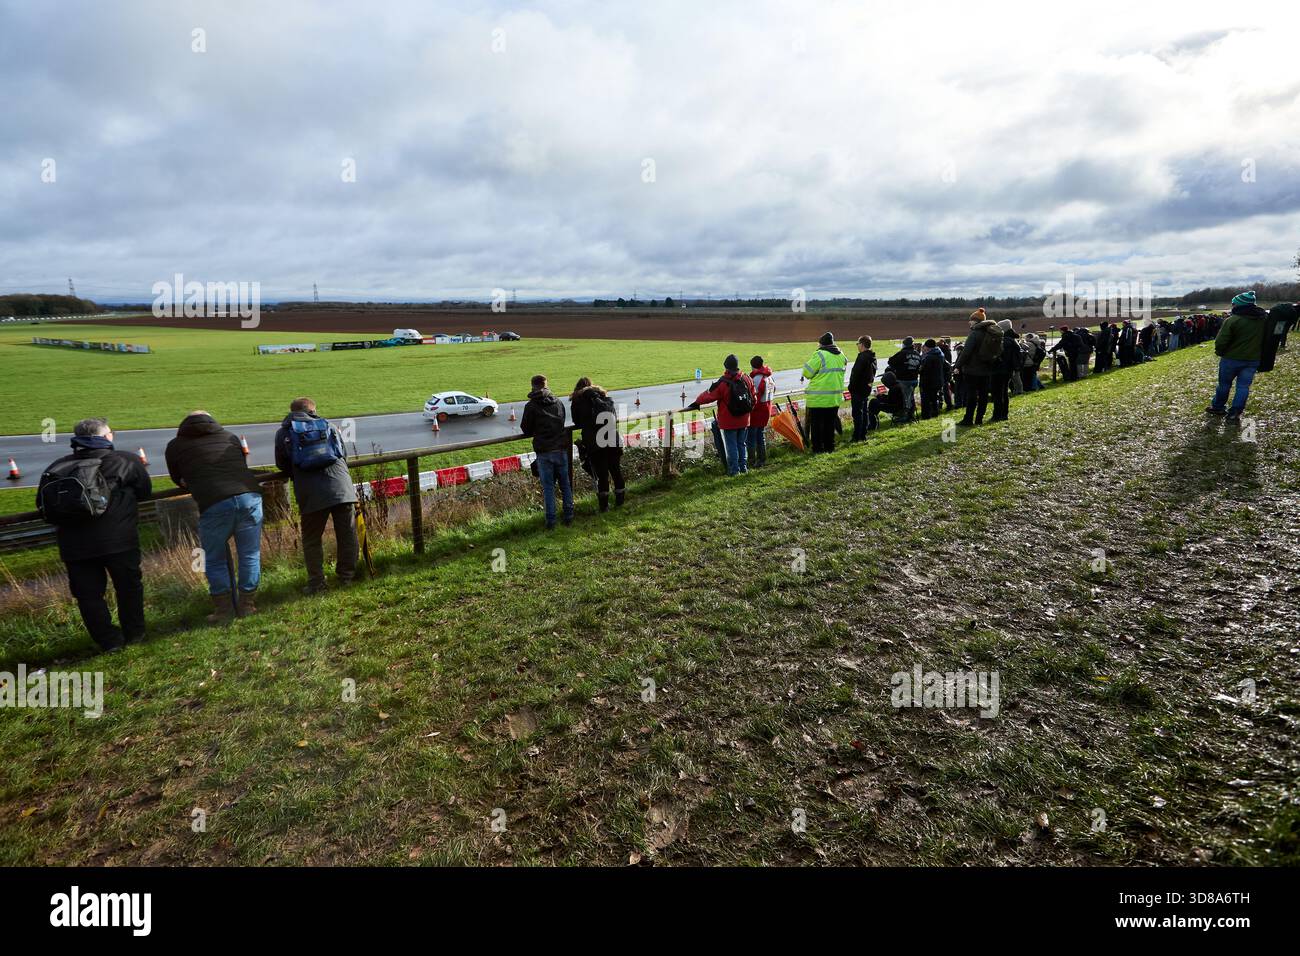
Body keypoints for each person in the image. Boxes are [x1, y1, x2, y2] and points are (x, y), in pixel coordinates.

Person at [36, 418, 152, 652]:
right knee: (128, 588)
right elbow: (144, 491)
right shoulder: (125, 460)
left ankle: (109, 641)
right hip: (118, 539)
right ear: (105, 436)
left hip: (75, 545)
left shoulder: (56, 468)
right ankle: (135, 635)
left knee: (89, 596)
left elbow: (43, 504)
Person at [165, 410, 264, 623]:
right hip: (248, 496)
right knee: (250, 553)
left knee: (214, 557)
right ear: (211, 421)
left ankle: (224, 609)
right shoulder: (229, 436)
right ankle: (247, 604)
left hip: (214, 502)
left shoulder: (176, 445)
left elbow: (177, 478)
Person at [273, 397, 358, 595]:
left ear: (291, 411)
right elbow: (342, 454)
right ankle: (347, 577)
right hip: (341, 487)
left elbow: (282, 464)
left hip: (310, 492)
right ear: (313, 410)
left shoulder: (284, 433)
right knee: (347, 534)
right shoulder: (329, 426)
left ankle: (317, 583)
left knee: (312, 539)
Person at [520, 374, 574, 528]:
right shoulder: (557, 401)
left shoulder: (531, 406)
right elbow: (562, 421)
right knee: (565, 484)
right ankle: (569, 515)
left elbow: (525, 428)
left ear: (532, 386)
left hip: (544, 451)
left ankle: (551, 521)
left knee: (549, 488)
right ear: (546, 384)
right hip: (561, 448)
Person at [687, 354, 755, 474]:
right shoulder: (747, 378)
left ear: (726, 367)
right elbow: (753, 397)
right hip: (744, 419)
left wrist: (696, 402)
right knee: (742, 444)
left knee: (731, 446)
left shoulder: (723, 382)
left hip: (728, 421)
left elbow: (709, 395)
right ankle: (744, 468)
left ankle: (734, 471)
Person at [1206, 291, 1268, 421]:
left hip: (1231, 359)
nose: (1232, 306)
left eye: (1233, 304)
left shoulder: (1232, 320)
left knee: (1224, 385)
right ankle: (1235, 412)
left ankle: (1218, 407)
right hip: (1252, 359)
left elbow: (1221, 341)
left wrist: (1220, 352)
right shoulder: (1264, 319)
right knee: (1243, 386)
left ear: (1239, 305)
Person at [570, 376, 626, 509]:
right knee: (616, 471)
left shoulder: (578, 401)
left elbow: (576, 422)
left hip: (595, 443)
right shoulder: (605, 398)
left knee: (602, 475)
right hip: (612, 439)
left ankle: (604, 506)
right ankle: (620, 502)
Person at [800, 332, 847, 453]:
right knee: (829, 425)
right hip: (834, 398)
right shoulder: (841, 355)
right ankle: (829, 447)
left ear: (821, 344)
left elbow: (807, 372)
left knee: (816, 426)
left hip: (819, 398)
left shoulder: (820, 354)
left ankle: (818, 449)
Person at [954, 308, 1000, 426]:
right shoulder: (990, 332)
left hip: (972, 370)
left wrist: (957, 365)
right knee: (984, 395)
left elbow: (966, 352)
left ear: (976, 321)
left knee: (972, 395)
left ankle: (968, 419)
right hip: (987, 369)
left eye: (971, 320)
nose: (969, 322)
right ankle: (979, 419)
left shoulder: (975, 333)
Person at [847, 335, 878, 441]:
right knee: (864, 412)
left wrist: (851, 387)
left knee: (857, 414)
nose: (857, 346)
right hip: (866, 389)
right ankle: (863, 434)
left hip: (858, 389)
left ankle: (857, 436)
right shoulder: (872, 357)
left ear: (862, 344)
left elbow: (855, 374)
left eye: (858, 344)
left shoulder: (862, 357)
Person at [990, 319, 1019, 422]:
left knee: (997, 393)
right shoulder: (1012, 340)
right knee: (1004, 393)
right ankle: (1004, 414)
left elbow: (997, 356)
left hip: (999, 370)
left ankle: (997, 415)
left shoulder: (1004, 341)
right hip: (1008, 370)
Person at [887, 336, 922, 421]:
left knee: (905, 399)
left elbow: (891, 361)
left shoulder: (902, 353)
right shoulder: (917, 353)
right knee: (910, 398)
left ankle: (906, 417)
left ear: (904, 345)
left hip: (904, 380)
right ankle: (911, 414)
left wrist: (898, 368)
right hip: (914, 379)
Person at [747, 356, 774, 467]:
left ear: (752, 366)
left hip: (757, 412)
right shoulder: (769, 377)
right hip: (767, 409)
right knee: (760, 435)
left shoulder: (756, 379)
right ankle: (762, 459)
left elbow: (754, 398)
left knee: (751, 437)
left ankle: (751, 461)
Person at [918, 339, 947, 419]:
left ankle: (926, 415)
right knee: (934, 398)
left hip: (928, 381)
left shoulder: (929, 357)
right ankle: (935, 412)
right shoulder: (940, 354)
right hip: (938, 380)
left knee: (926, 399)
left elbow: (924, 370)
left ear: (928, 347)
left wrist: (920, 369)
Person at [939, 337, 955, 409]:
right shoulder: (947, 350)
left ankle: (941, 404)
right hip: (946, 372)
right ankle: (949, 404)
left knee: (942, 389)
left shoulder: (941, 350)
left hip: (942, 372)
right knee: (946, 389)